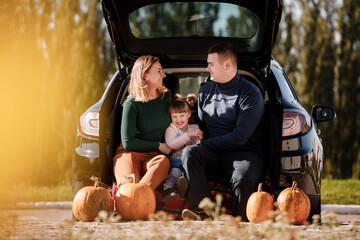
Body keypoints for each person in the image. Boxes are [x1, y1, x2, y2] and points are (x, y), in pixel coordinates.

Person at [181, 42, 265, 221]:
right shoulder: (205, 91)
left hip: (244, 155)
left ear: (227, 65)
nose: (207, 68)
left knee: (242, 180)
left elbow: (240, 137)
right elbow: (202, 129)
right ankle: (200, 211)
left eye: (211, 64)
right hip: (214, 155)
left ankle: (240, 225)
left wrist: (205, 143)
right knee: (190, 152)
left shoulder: (250, 94)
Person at [112, 55, 172, 192]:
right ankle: (131, 196)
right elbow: (128, 142)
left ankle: (137, 196)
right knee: (128, 182)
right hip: (130, 153)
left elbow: (180, 111)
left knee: (163, 162)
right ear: (145, 76)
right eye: (158, 71)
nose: (163, 75)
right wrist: (159, 145)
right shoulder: (131, 104)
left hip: (154, 157)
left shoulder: (166, 97)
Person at [162, 95, 203, 202]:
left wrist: (197, 139)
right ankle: (168, 190)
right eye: (174, 117)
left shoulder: (194, 127)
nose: (178, 120)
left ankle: (183, 189)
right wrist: (188, 135)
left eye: (182, 115)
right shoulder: (171, 129)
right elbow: (172, 144)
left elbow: (196, 146)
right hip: (174, 160)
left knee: (186, 174)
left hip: (188, 161)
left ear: (189, 114)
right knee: (175, 172)